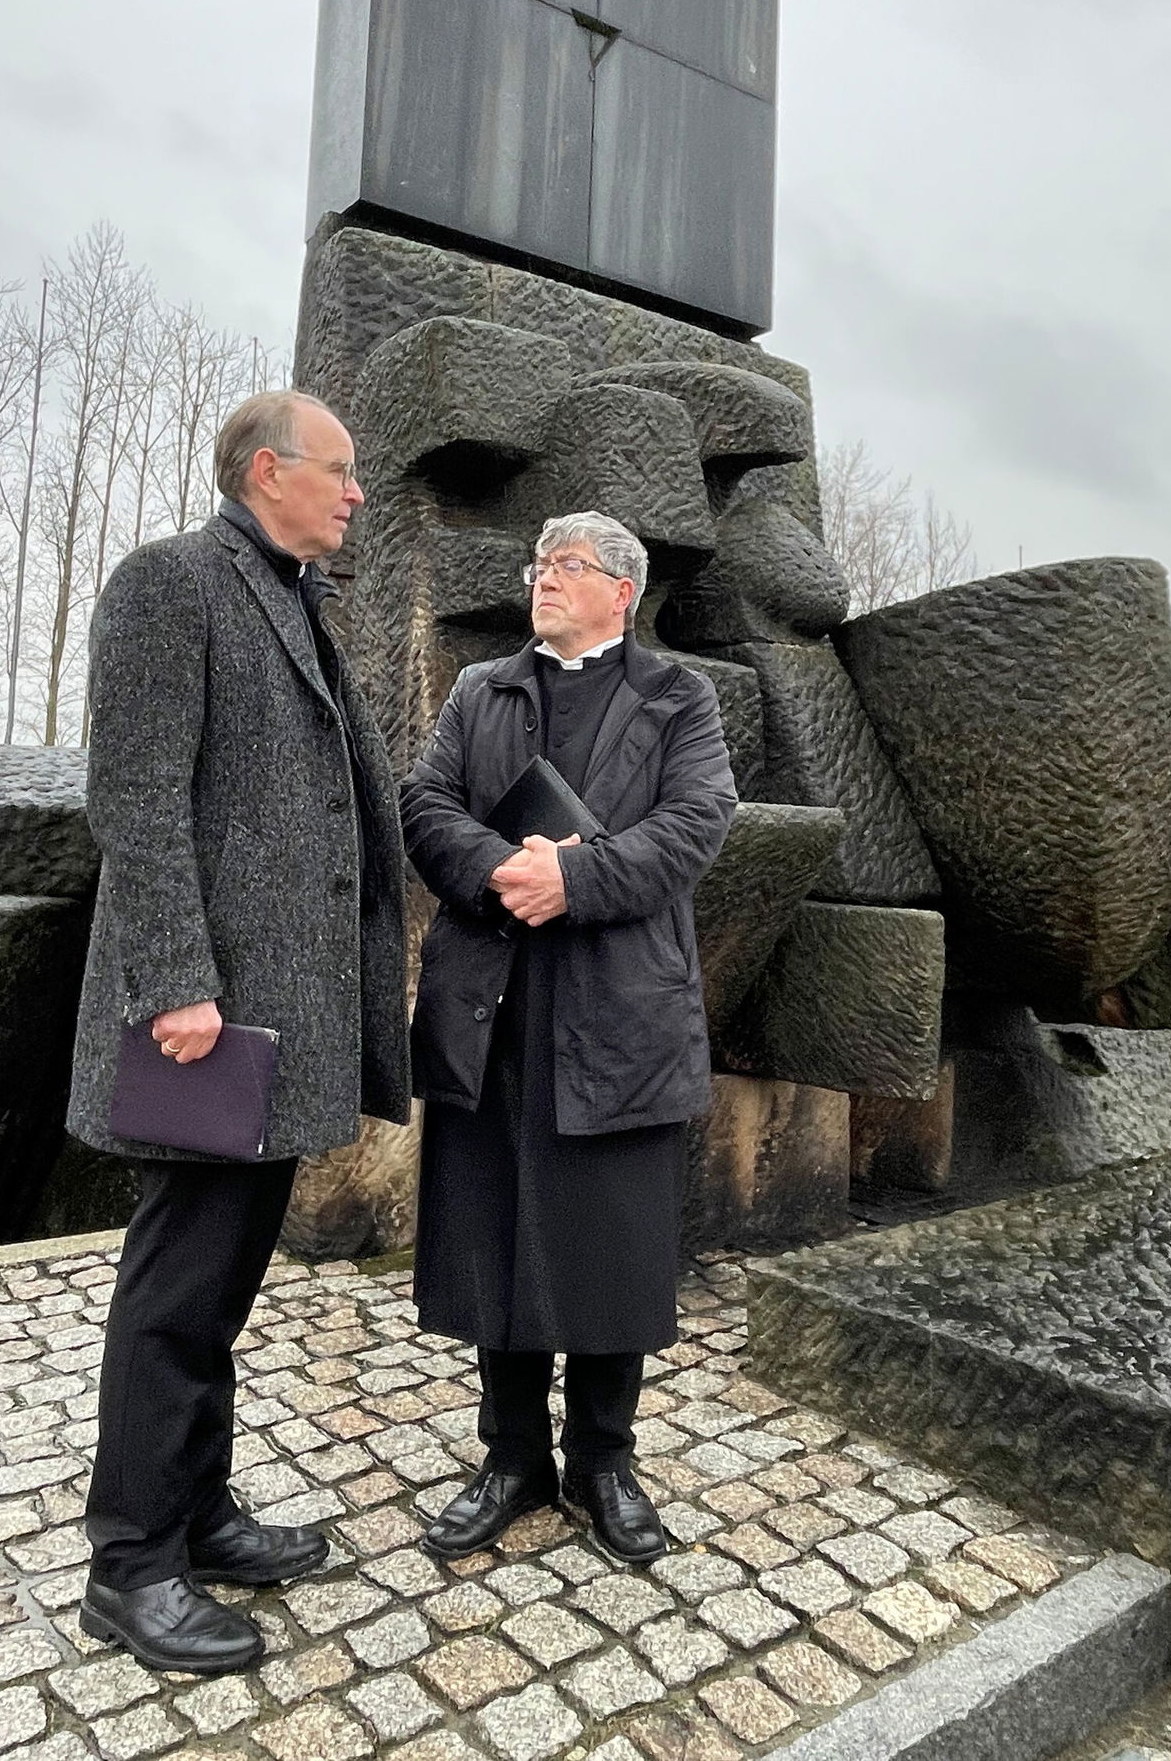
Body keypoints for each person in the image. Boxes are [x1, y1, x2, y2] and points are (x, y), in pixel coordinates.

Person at [67, 390, 410, 1675]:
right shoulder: (171, 583)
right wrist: (175, 980)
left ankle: (197, 1513)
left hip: (278, 1023)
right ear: (269, 472)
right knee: (172, 1296)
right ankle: (131, 1565)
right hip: (210, 1022)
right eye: (342, 471)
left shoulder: (299, 602)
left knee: (219, 1292)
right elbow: (135, 793)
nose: (357, 493)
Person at [400, 510, 737, 1564]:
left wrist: (573, 877)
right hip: (491, 1007)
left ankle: (602, 1459)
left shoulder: (679, 695)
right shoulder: (479, 690)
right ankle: (509, 1459)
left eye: (569, 566)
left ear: (621, 591)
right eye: (539, 564)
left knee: (609, 1247)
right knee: (495, 1234)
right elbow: (423, 800)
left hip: (618, 1007)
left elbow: (695, 823)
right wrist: (501, 870)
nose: (544, 580)